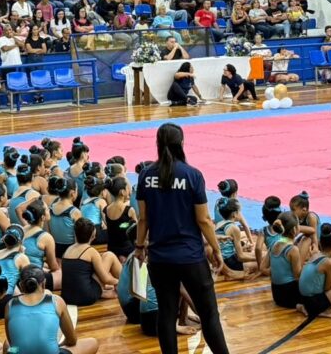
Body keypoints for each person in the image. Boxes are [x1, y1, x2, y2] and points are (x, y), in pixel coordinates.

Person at [135, 123, 230, 354]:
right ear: (182, 144)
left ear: (157, 144)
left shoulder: (146, 175)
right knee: (209, 315)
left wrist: (139, 247)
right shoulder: (192, 175)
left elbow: (143, 220)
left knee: (167, 314)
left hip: (159, 258)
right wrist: (216, 250)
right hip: (190, 257)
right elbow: (204, 220)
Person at [6, 265, 99, 354]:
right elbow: (72, 340)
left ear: (21, 286)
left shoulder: (9, 305)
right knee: (92, 342)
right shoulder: (57, 301)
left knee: (6, 345)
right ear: (44, 283)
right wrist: (59, 346)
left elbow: (12, 344)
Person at [59, 219, 121, 307]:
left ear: (75, 234)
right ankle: (126, 285)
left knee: (96, 263)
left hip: (68, 297)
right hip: (86, 297)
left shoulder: (68, 249)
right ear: (93, 236)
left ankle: (102, 292)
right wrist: (118, 282)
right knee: (109, 255)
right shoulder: (90, 251)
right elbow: (105, 279)